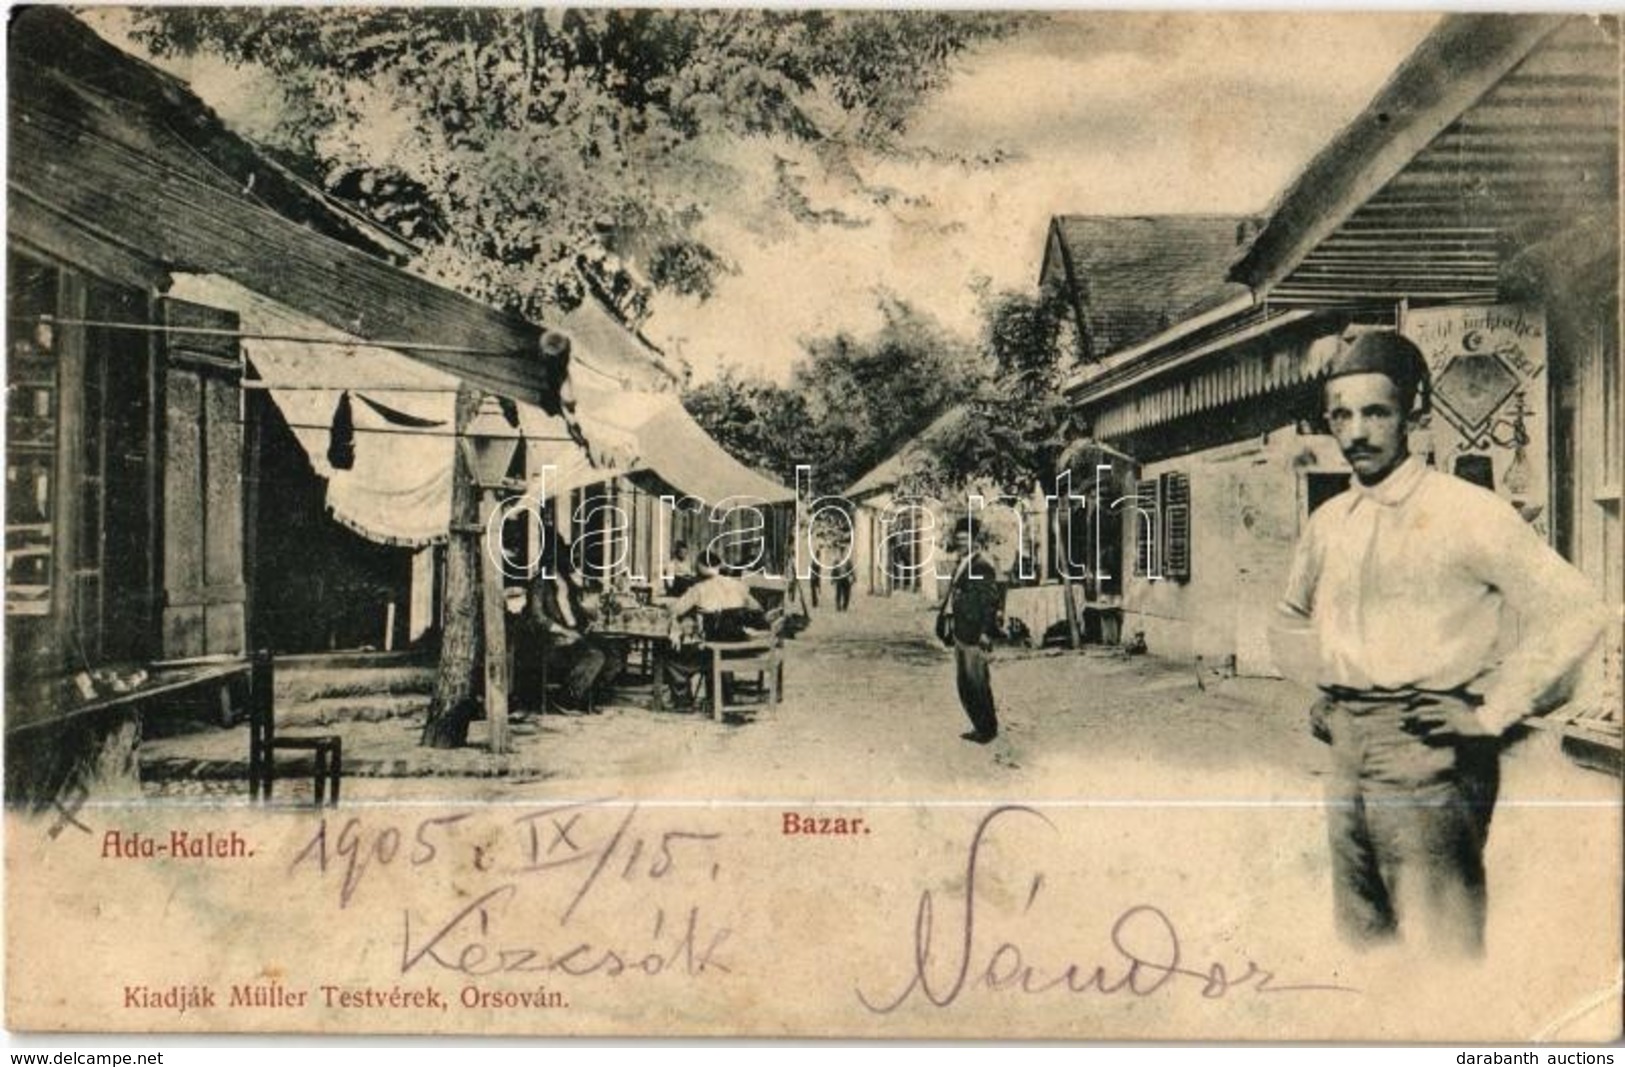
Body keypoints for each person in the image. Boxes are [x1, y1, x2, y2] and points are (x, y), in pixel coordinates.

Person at [1277, 329, 1606, 957]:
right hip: (1347, 750)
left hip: (1431, 747)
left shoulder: (1467, 512)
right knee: (1363, 939)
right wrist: (1322, 696)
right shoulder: (1329, 524)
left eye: (1376, 412)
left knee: (1439, 948)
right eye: (1341, 415)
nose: (1357, 432)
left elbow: (1575, 609)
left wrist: (1491, 711)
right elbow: (1290, 617)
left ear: (1415, 412)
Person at [658, 549, 765, 709]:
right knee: (717, 640)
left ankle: (683, 701)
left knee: (670, 659)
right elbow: (758, 608)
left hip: (713, 652)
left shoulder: (698, 589)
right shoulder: (738, 585)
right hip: (739, 648)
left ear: (699, 569)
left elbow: (674, 610)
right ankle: (722, 695)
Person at [936, 517, 1004, 744]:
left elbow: (990, 601)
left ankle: (988, 729)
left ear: (975, 541)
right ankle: (979, 726)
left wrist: (985, 631)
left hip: (975, 632)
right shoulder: (962, 563)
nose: (962, 542)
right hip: (961, 630)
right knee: (964, 683)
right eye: (959, 539)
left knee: (977, 682)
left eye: (966, 539)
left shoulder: (981, 565)